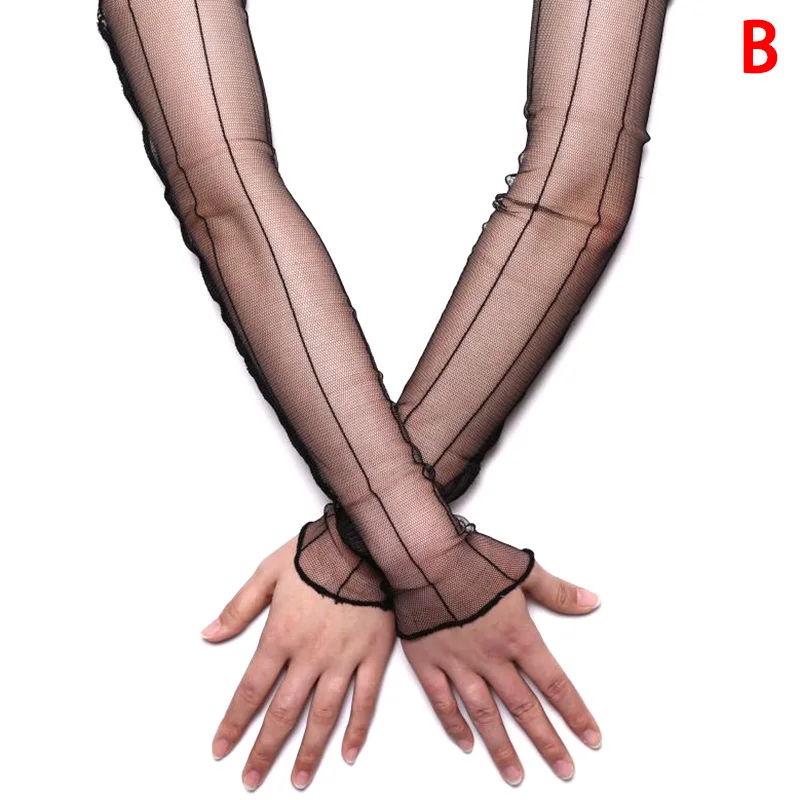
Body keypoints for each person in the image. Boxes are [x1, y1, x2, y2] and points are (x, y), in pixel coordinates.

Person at [96, 0, 668, 790]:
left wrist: (387, 551)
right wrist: (424, 557)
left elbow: (223, 199)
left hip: (225, 501)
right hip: (539, 510)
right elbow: (576, 195)